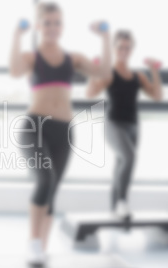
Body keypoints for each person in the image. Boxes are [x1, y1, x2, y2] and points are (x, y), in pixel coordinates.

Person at [9, 2, 111, 266]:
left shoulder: (73, 58)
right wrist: (17, 36)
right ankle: (33, 241)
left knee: (53, 188)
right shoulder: (33, 57)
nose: (52, 27)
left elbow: (103, 72)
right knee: (45, 179)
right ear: (40, 25)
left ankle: (41, 248)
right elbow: (15, 70)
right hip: (35, 127)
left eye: (57, 23)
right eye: (47, 23)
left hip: (64, 130)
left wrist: (105, 38)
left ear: (62, 26)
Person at [87, 30, 162, 220]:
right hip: (114, 124)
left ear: (131, 50)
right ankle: (122, 202)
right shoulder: (109, 73)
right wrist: (93, 72)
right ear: (114, 48)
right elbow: (90, 93)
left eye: (127, 48)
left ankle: (114, 210)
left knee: (122, 164)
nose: (124, 51)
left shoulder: (138, 76)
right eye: (120, 47)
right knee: (129, 157)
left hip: (134, 126)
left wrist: (153, 69)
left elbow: (157, 96)